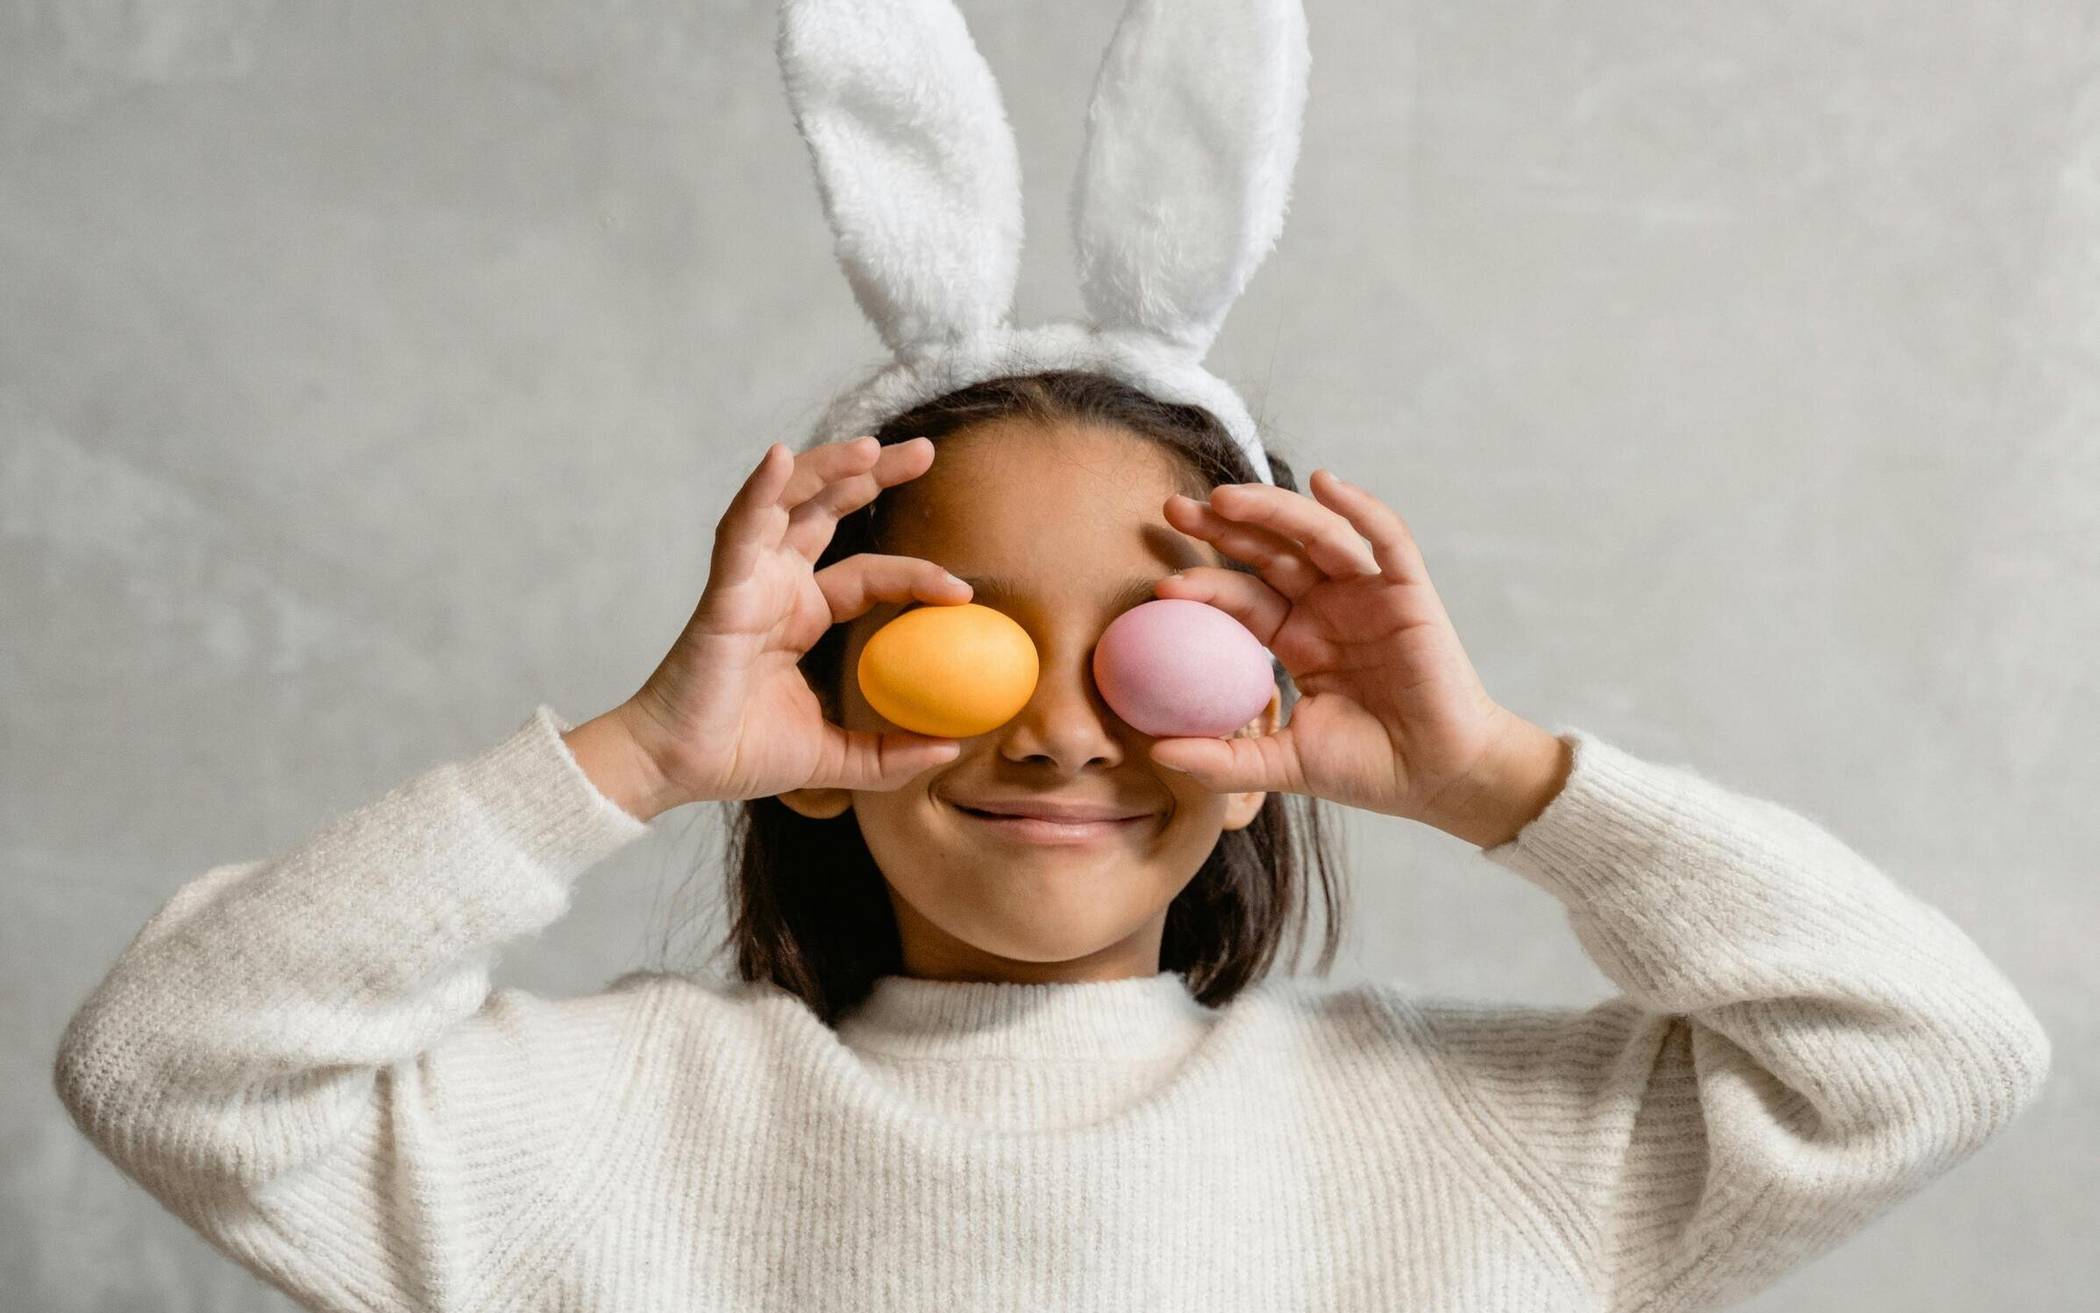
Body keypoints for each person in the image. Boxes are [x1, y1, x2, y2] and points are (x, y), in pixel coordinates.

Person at [54, 370, 2051, 1311]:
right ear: (821, 726)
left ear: (1266, 734)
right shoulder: (604, 1138)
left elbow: (1926, 1053)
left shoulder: (1463, 1154)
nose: (1059, 721)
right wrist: (641, 755)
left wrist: (1494, 775)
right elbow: (177, 1060)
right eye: (966, 639)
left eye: (1162, 652)